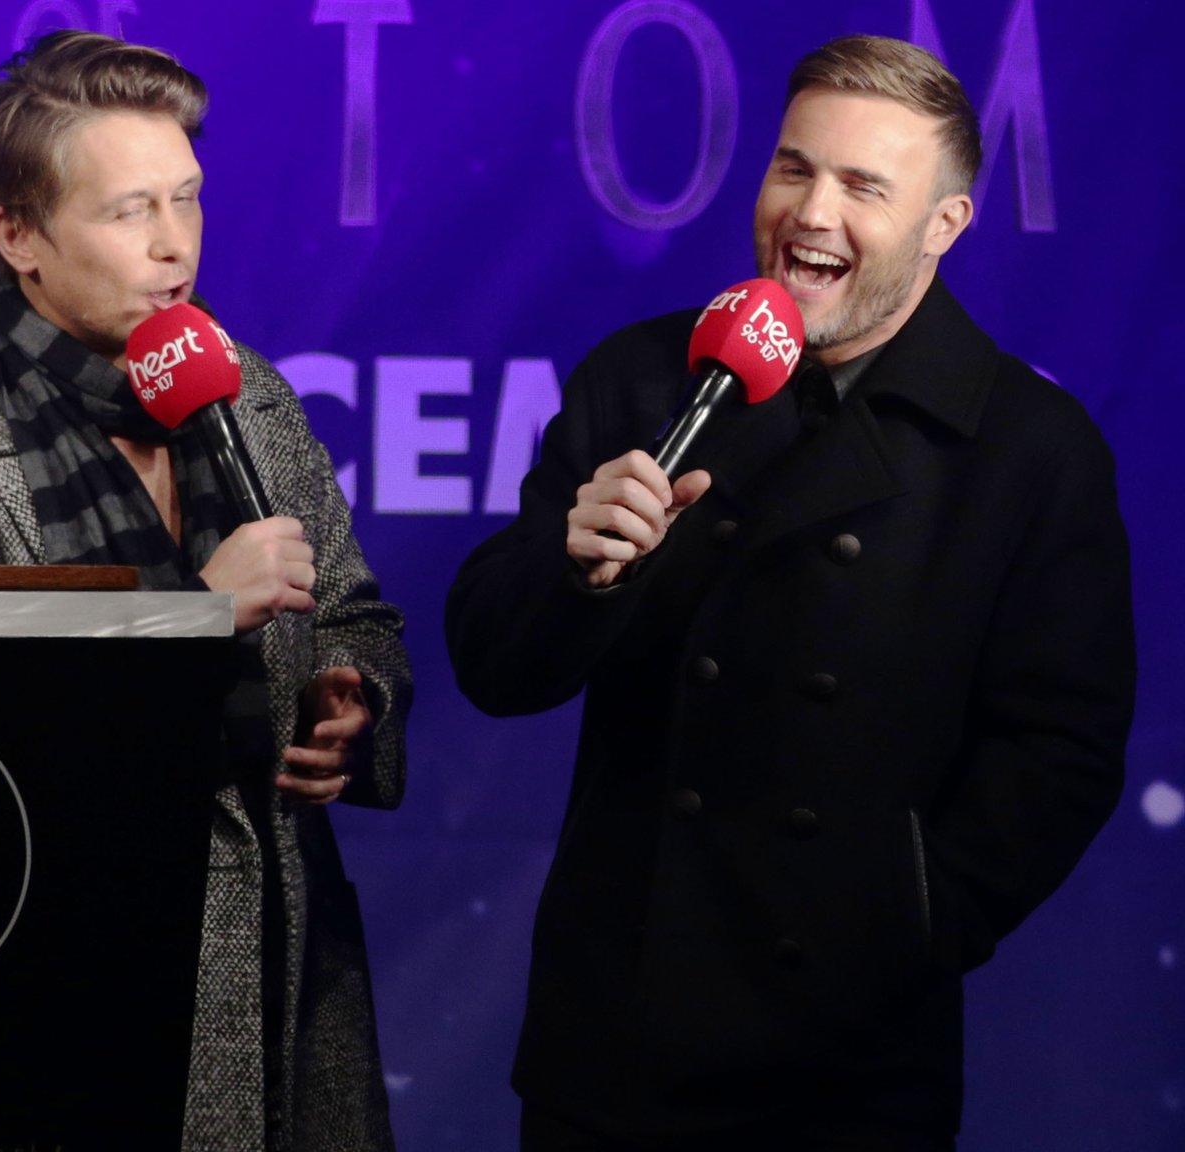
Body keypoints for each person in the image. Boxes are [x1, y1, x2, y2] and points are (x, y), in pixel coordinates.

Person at [445, 35, 1134, 1151]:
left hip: (848, 1064)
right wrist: (571, 575)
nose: (810, 215)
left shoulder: (1027, 449)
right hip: (612, 1051)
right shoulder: (638, 377)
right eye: (791, 168)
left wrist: (910, 913)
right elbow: (491, 664)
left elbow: (1060, 750)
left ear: (943, 225)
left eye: (863, 186)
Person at [0, 31, 410, 1152]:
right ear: (18, 236)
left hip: (287, 988)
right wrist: (191, 620)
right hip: (63, 1014)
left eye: (187, 200)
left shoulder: (245, 390)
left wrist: (354, 701)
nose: (173, 247)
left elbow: (355, 614)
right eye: (127, 213)